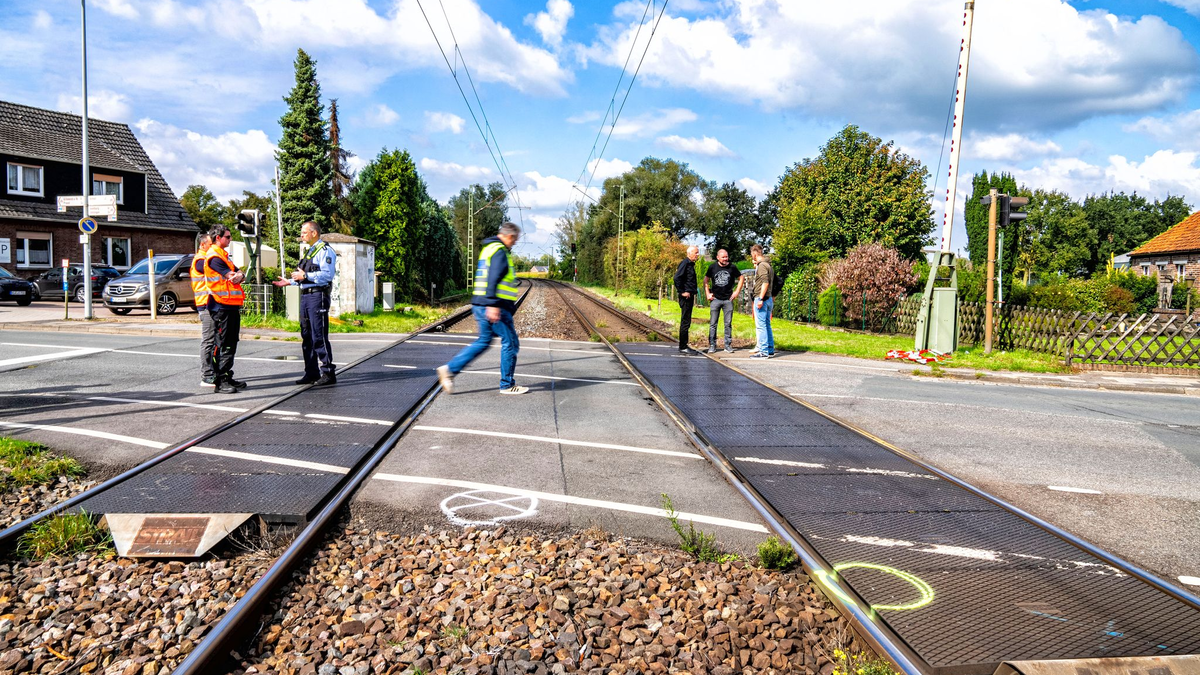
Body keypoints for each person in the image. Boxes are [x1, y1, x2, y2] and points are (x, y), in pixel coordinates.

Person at [436, 222, 527, 395]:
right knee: (510, 342)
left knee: (484, 341)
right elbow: (493, 278)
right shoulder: (500, 251)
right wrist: (492, 304)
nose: (514, 243)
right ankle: (507, 384)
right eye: (514, 240)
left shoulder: (488, 249)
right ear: (509, 236)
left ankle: (449, 370)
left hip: (480, 304)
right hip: (494, 306)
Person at [274, 221, 338, 386]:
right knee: (307, 336)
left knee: (318, 335)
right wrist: (290, 281)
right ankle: (311, 372)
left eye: (304, 232)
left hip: (318, 296)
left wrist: (306, 277)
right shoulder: (310, 251)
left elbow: (327, 276)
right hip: (307, 296)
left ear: (314, 233)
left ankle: (328, 372)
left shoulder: (325, 251)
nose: (301, 235)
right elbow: (304, 276)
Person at [204, 226, 247, 393]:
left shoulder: (224, 256)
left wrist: (239, 275)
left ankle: (227, 376)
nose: (230, 239)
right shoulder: (214, 257)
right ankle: (220, 381)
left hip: (230, 304)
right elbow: (233, 276)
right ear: (217, 238)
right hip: (220, 305)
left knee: (231, 342)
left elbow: (239, 274)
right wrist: (237, 276)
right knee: (223, 343)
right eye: (227, 237)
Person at [704, 248, 744, 353]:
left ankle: (727, 345)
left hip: (728, 299)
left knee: (728, 323)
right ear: (718, 257)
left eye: (726, 257)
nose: (725, 259)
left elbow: (741, 278)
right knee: (713, 323)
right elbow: (706, 280)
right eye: (723, 257)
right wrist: (707, 293)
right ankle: (712, 345)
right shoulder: (712, 267)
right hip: (715, 299)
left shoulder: (732, 267)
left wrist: (737, 292)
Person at [190, 233, 217, 387]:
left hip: (211, 304)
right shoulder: (201, 260)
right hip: (205, 304)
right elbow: (210, 271)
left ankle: (213, 372)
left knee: (213, 340)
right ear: (202, 245)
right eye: (210, 244)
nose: (212, 246)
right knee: (208, 340)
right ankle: (206, 375)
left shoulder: (206, 258)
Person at [749, 244, 775, 359]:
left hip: (763, 299)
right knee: (767, 325)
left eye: (751, 255)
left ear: (755, 253)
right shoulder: (768, 265)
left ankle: (763, 351)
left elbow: (765, 282)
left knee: (761, 326)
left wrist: (760, 298)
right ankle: (770, 349)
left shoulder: (762, 266)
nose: (752, 257)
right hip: (768, 299)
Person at [673, 245, 700, 354]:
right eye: (696, 253)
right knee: (685, 321)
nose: (698, 255)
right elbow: (677, 278)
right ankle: (683, 346)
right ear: (690, 253)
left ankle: (684, 344)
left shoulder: (690, 264)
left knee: (687, 321)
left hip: (690, 296)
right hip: (686, 297)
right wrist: (682, 291)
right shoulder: (685, 263)